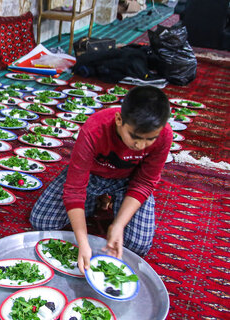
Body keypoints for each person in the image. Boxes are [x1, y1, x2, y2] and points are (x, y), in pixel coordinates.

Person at [29, 85, 172, 274]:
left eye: (149, 139)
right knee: (41, 221)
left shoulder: (164, 135)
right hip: (93, 175)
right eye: (135, 137)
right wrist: (83, 241)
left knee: (136, 246)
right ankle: (97, 201)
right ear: (119, 119)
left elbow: (145, 182)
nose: (140, 145)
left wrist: (118, 225)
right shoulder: (94, 129)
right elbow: (75, 187)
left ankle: (105, 203)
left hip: (128, 181)